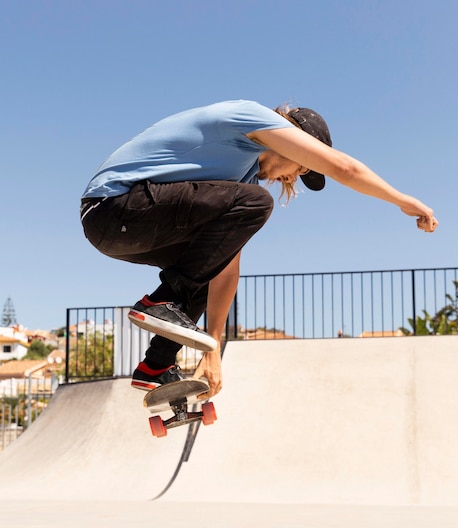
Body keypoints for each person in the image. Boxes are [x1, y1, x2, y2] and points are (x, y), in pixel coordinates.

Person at [80, 99, 438, 399]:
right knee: (256, 202)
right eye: (300, 166)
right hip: (113, 207)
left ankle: (156, 365)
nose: (290, 177)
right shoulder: (250, 118)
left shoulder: (237, 181)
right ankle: (162, 303)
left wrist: (213, 346)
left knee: (212, 259)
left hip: (126, 228)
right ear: (291, 139)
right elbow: (344, 167)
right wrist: (402, 201)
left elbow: (225, 269)